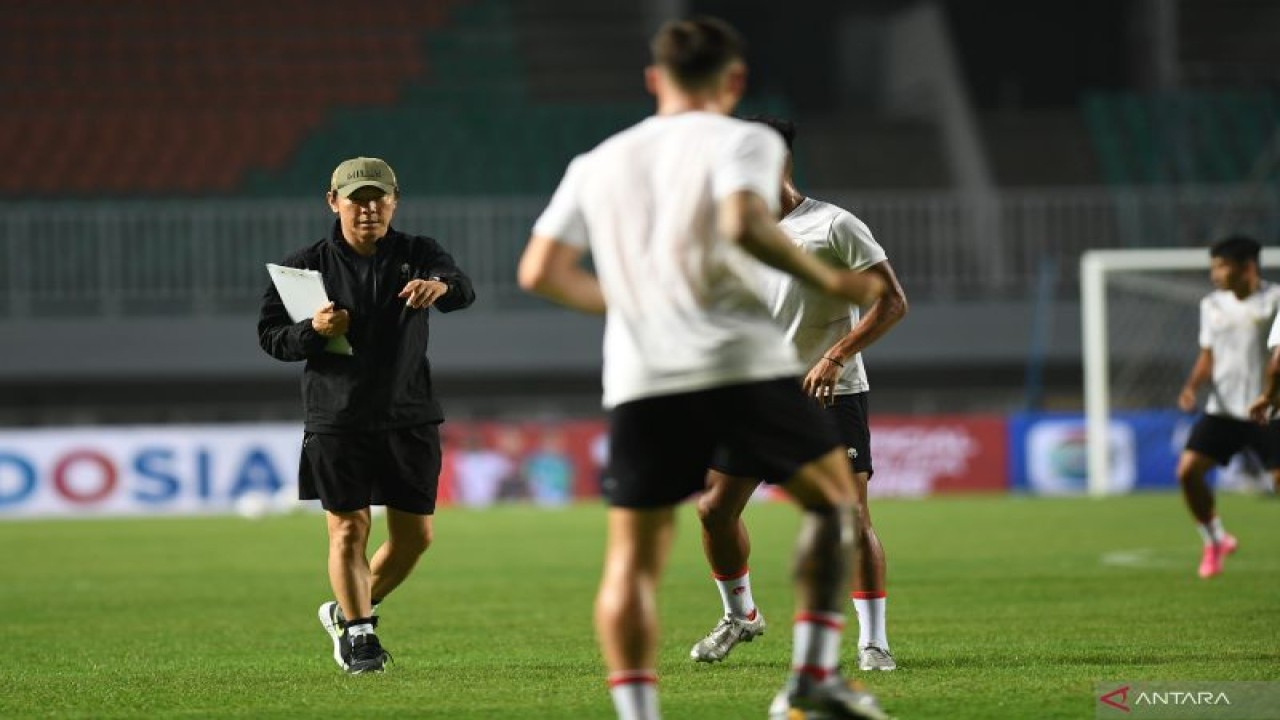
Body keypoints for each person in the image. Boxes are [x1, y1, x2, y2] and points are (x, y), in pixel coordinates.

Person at [517, 17, 889, 720]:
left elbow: (539, 271)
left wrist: (633, 307)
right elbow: (746, 224)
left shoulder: (595, 164)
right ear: (734, 82)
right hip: (740, 363)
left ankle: (638, 714)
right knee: (836, 506)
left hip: (643, 374)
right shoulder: (744, 139)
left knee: (633, 557)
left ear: (654, 81)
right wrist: (832, 283)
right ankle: (812, 676)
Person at [689, 116, 907, 672]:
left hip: (828, 395)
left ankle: (873, 641)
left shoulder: (834, 226)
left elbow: (892, 303)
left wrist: (836, 355)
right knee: (715, 510)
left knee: (849, 520)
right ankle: (741, 616)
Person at [257, 157, 475, 673]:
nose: (369, 208)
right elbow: (272, 338)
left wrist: (440, 287)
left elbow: (462, 288)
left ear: (394, 201)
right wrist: (313, 329)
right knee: (348, 530)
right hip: (338, 418)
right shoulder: (302, 268)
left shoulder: (419, 253)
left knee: (415, 539)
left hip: (409, 414)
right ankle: (360, 636)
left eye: (378, 198)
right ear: (333, 202)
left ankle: (345, 609)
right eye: (357, 199)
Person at [1176, 236, 1280, 579]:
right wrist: (1192, 387)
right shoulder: (1212, 305)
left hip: (1269, 410)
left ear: (1247, 267)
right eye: (1213, 267)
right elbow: (1208, 356)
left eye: (1221, 266)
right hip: (1223, 409)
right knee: (1188, 472)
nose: (1215, 275)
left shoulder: (1276, 300)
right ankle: (1215, 539)